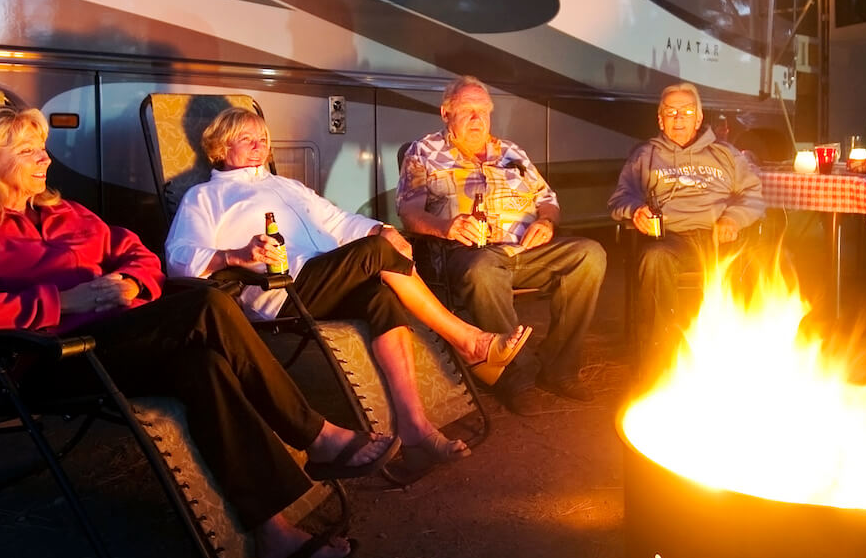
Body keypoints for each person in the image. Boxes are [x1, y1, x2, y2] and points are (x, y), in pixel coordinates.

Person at [0, 104, 396, 558]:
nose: (45, 160)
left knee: (203, 366)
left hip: (119, 341)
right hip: (50, 359)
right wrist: (65, 302)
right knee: (207, 304)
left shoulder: (65, 212)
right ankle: (316, 434)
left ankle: (273, 532)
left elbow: (139, 254)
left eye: (43, 149)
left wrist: (132, 283)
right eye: (28, 151)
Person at [164, 107, 530, 466]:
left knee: (380, 295)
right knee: (376, 253)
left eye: (263, 139)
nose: (259, 146)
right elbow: (179, 257)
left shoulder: (286, 186)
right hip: (280, 290)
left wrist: (380, 228)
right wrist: (236, 255)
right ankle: (469, 341)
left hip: (324, 277)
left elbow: (338, 221)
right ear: (221, 148)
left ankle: (414, 426)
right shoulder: (205, 198)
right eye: (247, 139)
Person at [397, 76, 606, 412]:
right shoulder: (424, 153)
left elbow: (548, 199)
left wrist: (547, 222)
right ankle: (516, 374)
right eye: (468, 111)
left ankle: (559, 367)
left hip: (524, 251)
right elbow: (408, 211)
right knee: (483, 270)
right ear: (446, 113)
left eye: (484, 111)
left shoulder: (511, 152)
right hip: (467, 253)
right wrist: (446, 227)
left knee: (589, 254)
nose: (478, 119)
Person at [608, 82, 766, 378]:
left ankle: (746, 358)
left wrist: (733, 219)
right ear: (660, 119)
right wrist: (635, 210)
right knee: (654, 258)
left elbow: (753, 195)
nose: (678, 118)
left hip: (719, 237)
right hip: (670, 239)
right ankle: (660, 362)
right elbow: (619, 198)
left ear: (699, 117)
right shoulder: (645, 156)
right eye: (670, 112)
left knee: (764, 262)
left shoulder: (726, 155)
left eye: (686, 111)